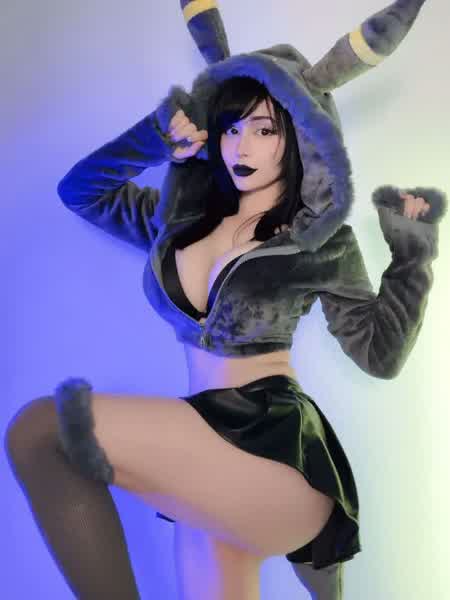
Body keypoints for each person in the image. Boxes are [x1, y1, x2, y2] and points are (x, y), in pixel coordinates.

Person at [4, 1, 447, 599]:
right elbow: (80, 191)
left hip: (276, 452)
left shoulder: (319, 241)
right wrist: (155, 138)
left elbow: (380, 354)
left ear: (301, 135)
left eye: (265, 129)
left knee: (42, 429)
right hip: (207, 462)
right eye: (232, 126)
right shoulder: (177, 223)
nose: (242, 145)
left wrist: (412, 255)